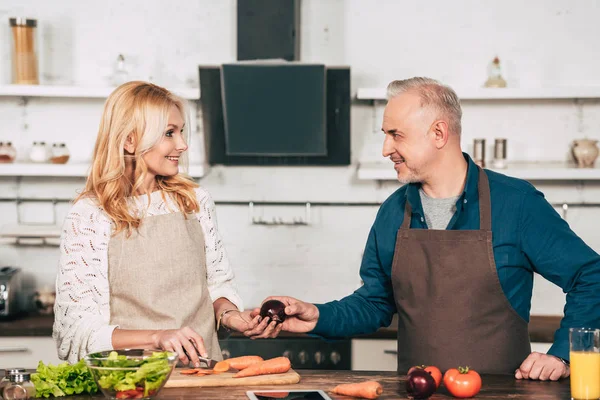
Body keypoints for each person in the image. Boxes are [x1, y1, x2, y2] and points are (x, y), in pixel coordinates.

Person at [252, 77, 600, 381]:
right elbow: (375, 303)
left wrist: (561, 354)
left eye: (395, 135)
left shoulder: (516, 203)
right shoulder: (393, 211)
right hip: (415, 392)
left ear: (438, 133)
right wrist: (317, 316)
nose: (386, 149)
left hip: (502, 392)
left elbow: (590, 275)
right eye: (385, 135)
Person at [53, 81, 271, 366]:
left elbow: (217, 285)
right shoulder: (90, 216)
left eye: (181, 131)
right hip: (128, 382)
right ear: (130, 140)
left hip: (204, 376)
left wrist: (230, 315)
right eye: (169, 133)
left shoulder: (195, 201)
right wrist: (157, 337)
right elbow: (77, 332)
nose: (182, 144)